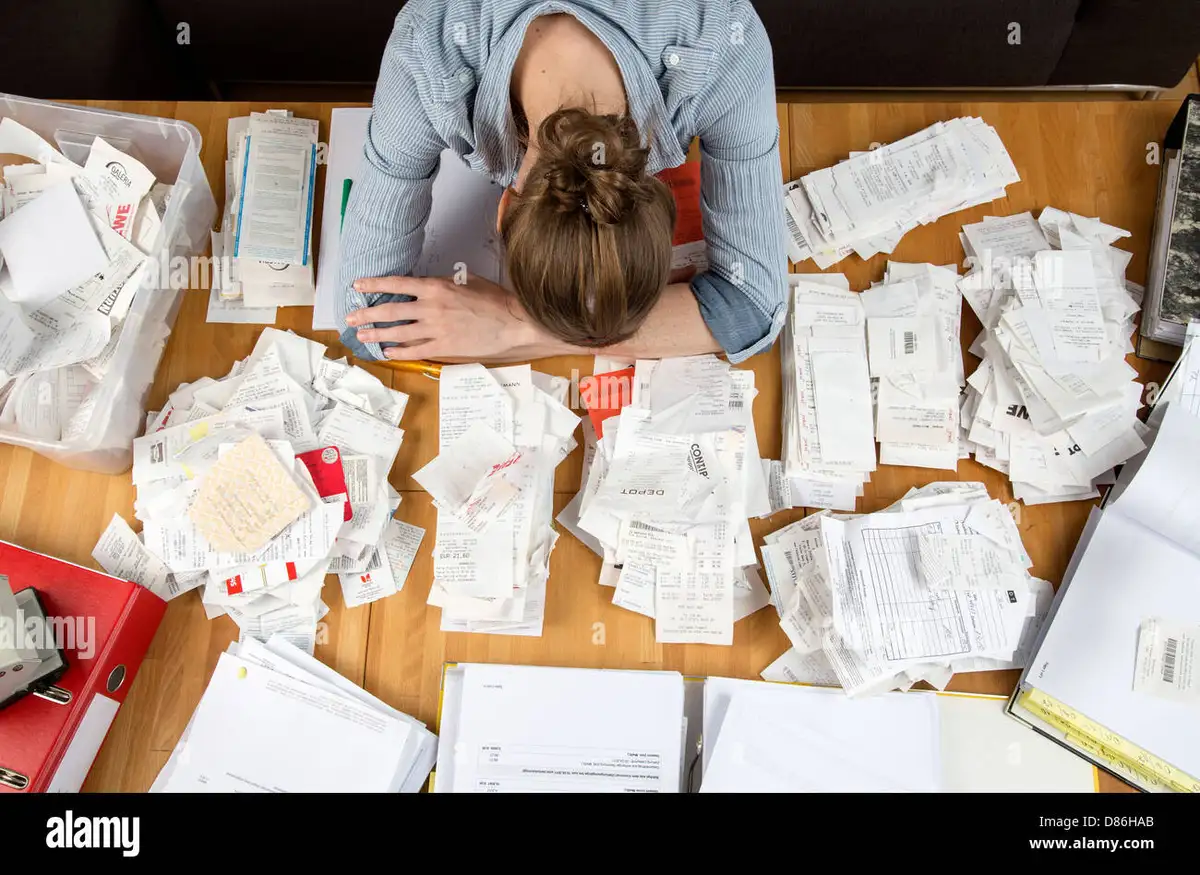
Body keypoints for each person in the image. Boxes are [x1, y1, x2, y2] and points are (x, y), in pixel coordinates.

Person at [338, 0, 787, 365]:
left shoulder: (726, 40)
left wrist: (515, 323)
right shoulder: (428, 49)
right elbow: (364, 325)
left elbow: (754, 310)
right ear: (505, 209)